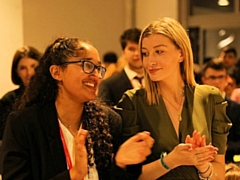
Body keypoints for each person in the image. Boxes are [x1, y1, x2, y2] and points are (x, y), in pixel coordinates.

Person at [1, 37, 154, 180]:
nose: (96, 75)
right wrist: (73, 175)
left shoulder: (108, 121)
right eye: (87, 65)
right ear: (56, 72)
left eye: (98, 68)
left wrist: (120, 163)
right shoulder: (24, 124)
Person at [115, 17, 231, 179]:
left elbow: (219, 172)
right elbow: (131, 175)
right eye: (145, 54)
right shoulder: (133, 101)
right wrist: (170, 161)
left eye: (159, 51)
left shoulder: (210, 98)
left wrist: (202, 165)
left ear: (181, 53)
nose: (150, 61)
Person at [201, 58, 240, 163]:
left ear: (227, 79)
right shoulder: (195, 107)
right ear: (204, 80)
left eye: (221, 77)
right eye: (212, 78)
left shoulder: (236, 109)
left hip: (227, 164)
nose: (217, 82)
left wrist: (223, 147)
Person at [0, 46, 42, 139]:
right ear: (17, 72)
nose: (29, 73)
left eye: (33, 66)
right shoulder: (8, 100)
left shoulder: (50, 95)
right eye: (23, 68)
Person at [98, 28, 143, 106]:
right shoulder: (109, 85)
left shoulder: (157, 81)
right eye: (132, 49)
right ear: (123, 53)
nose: (137, 53)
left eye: (141, 49)